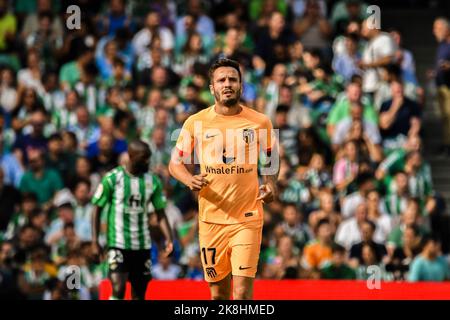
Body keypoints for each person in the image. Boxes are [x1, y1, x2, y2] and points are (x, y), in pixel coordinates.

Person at [169, 58, 278, 300]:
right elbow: (174, 163)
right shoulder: (195, 122)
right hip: (211, 220)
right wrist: (189, 179)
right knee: (218, 294)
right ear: (212, 88)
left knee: (240, 293)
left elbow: (272, 158)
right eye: (221, 80)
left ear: (240, 85)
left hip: (247, 218)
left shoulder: (260, 122)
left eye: (232, 79)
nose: (227, 84)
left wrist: (271, 185)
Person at [91, 140, 174, 300]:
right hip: (118, 242)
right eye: (144, 158)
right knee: (118, 287)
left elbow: (160, 213)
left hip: (142, 245)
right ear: (131, 156)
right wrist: (95, 241)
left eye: (148, 158)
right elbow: (97, 209)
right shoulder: (113, 178)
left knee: (139, 293)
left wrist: (169, 238)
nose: (147, 162)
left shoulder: (152, 181)